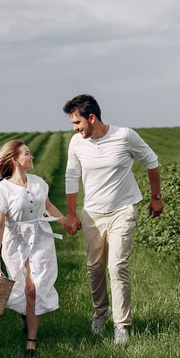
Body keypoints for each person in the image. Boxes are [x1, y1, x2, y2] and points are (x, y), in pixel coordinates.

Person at [63, 94, 163, 344]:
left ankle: (121, 325)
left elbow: (151, 161)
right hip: (93, 214)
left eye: (77, 123)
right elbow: (71, 176)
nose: (75, 128)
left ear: (92, 117)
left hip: (123, 210)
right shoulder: (77, 143)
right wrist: (72, 213)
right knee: (94, 268)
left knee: (117, 266)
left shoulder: (124, 136)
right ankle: (100, 313)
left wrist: (156, 196)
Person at [0, 140, 68, 355]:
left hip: (41, 238)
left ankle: (31, 340)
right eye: (27, 154)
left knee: (36, 288)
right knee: (27, 289)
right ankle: (27, 320)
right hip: (17, 242)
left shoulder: (39, 182)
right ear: (15, 160)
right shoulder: (2, 190)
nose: (32, 157)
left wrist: (66, 221)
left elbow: (48, 206)